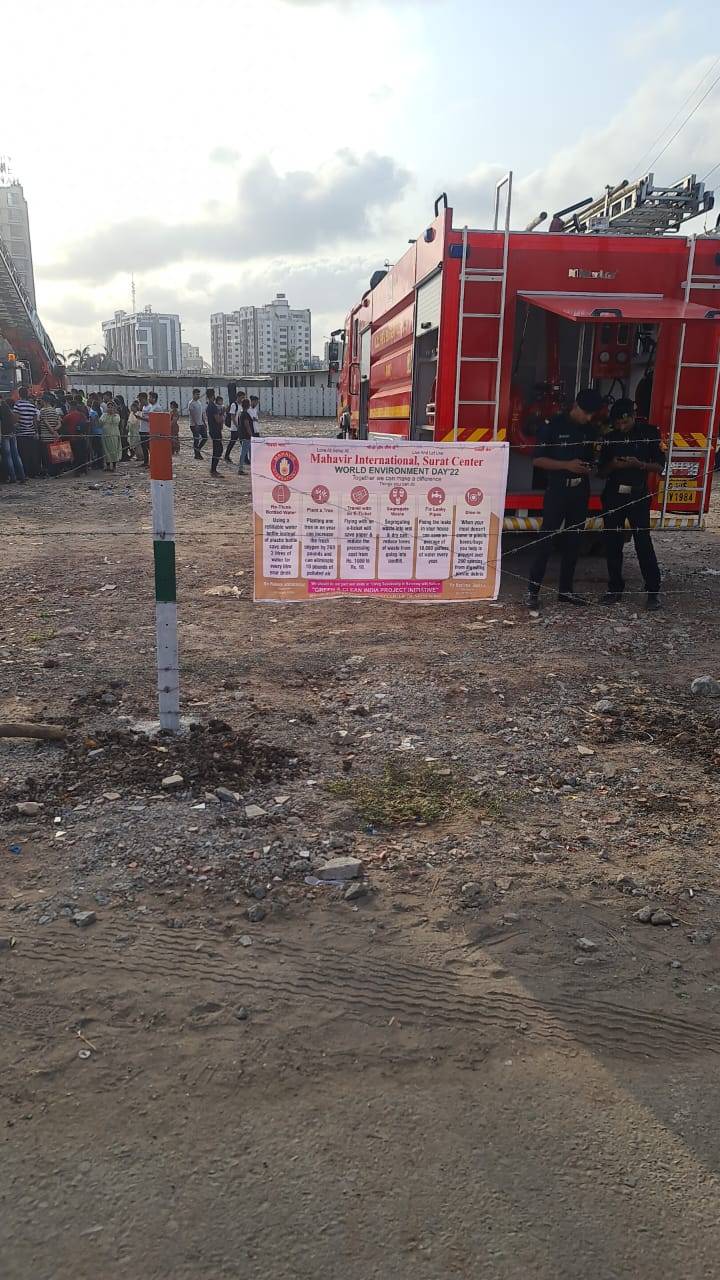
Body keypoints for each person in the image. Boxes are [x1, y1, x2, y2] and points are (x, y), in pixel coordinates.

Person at [526, 387, 604, 609]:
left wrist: (589, 467)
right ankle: (532, 591)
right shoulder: (554, 425)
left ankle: (566, 591)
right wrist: (566, 465)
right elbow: (538, 460)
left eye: (592, 414)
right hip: (558, 490)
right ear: (576, 406)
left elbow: (592, 458)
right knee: (546, 540)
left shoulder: (590, 430)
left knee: (574, 542)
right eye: (586, 413)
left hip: (580, 491)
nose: (588, 418)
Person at [598, 398, 665, 611]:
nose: (621, 426)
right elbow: (601, 472)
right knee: (612, 543)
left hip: (638, 495)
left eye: (625, 422)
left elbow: (660, 466)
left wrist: (640, 464)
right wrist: (612, 465)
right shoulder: (609, 438)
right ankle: (614, 588)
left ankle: (653, 591)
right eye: (618, 423)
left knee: (643, 543)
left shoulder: (648, 434)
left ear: (633, 417)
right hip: (613, 495)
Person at [13, 386, 41, 477]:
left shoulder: (17, 405)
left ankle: (25, 473)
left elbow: (16, 420)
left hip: (21, 433)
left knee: (23, 454)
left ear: (19, 394)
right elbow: (35, 421)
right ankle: (33, 473)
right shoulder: (32, 406)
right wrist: (36, 432)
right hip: (31, 433)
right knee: (32, 454)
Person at [62, 395, 90, 475]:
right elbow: (87, 423)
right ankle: (84, 470)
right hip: (81, 437)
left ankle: (77, 471)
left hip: (72, 438)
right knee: (82, 454)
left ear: (70, 407)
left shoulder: (68, 416)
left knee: (75, 455)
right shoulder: (82, 415)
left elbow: (63, 424)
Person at [0, 394, 25, 483]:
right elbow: (14, 419)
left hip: (4, 434)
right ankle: (22, 476)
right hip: (12, 432)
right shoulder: (7, 406)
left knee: (8, 456)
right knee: (16, 455)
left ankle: (13, 477)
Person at [38, 394, 63, 475]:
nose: (40, 402)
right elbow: (59, 423)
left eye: (41, 400)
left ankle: (50, 472)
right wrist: (55, 430)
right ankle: (57, 471)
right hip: (54, 437)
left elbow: (45, 423)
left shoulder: (43, 411)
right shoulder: (54, 410)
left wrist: (52, 431)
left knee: (47, 457)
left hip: (46, 437)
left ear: (44, 401)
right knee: (54, 456)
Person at [205, 388, 224, 477]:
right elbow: (218, 420)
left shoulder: (209, 406)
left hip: (213, 430)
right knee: (218, 450)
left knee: (218, 450)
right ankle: (213, 469)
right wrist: (223, 413)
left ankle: (213, 469)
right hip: (215, 430)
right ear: (213, 395)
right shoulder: (213, 406)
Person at [101, 399, 122, 472]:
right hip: (105, 434)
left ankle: (114, 465)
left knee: (113, 450)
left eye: (111, 407)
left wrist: (112, 414)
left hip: (113, 435)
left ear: (114, 408)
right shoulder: (104, 415)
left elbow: (116, 422)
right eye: (108, 407)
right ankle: (107, 465)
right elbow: (101, 422)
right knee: (106, 450)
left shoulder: (117, 416)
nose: (110, 409)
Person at [188, 387, 207, 459]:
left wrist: (204, 422)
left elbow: (201, 413)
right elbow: (192, 415)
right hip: (194, 425)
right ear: (193, 395)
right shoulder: (191, 403)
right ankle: (197, 454)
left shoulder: (199, 402)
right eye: (197, 394)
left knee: (205, 437)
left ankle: (198, 449)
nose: (198, 396)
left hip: (201, 423)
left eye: (199, 394)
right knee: (196, 439)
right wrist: (196, 424)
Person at [237, 397, 254, 475]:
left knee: (249, 451)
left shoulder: (241, 413)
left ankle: (251, 467)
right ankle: (240, 469)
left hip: (243, 435)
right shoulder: (245, 414)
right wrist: (251, 434)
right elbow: (247, 425)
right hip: (246, 436)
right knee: (244, 452)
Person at [223, 394, 241, 462]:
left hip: (240, 427)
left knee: (242, 442)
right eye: (241, 397)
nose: (242, 399)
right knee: (232, 442)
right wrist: (237, 426)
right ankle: (226, 456)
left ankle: (245, 458)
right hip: (235, 428)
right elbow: (232, 417)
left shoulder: (241, 405)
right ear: (238, 397)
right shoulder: (234, 405)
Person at [137, 392, 151, 466]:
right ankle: (146, 461)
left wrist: (140, 418)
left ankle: (152, 461)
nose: (139, 401)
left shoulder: (150, 407)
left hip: (147, 430)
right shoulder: (143, 407)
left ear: (144, 398)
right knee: (143, 447)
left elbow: (150, 419)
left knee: (149, 447)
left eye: (140, 399)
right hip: (142, 429)